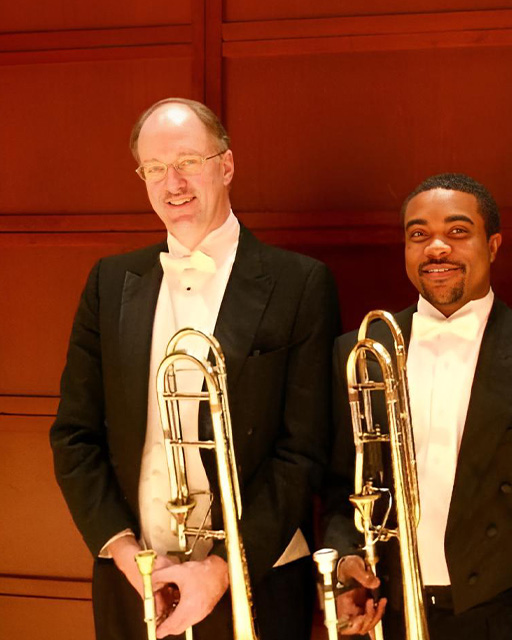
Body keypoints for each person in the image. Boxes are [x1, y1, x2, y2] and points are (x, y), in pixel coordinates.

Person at [50, 97, 340, 639]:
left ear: (226, 166)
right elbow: (74, 436)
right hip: (136, 584)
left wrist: (222, 568)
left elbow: (304, 450)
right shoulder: (110, 283)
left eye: (188, 161)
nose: (172, 182)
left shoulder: (300, 284)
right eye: (155, 169)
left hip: (259, 578)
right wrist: (126, 554)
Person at [323, 173, 512, 640]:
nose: (437, 248)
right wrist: (346, 558)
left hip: (499, 619)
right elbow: (342, 487)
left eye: (458, 232)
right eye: (419, 235)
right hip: (388, 613)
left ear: (493, 245)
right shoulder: (358, 352)